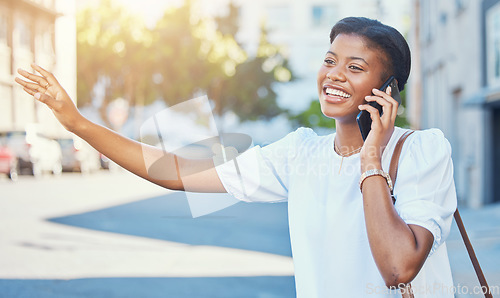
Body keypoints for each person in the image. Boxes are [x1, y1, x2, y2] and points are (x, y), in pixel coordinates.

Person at [15, 17, 457, 297]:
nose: (334, 75)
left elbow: (399, 267)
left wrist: (371, 158)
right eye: (330, 60)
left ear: (388, 90)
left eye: (355, 67)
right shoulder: (299, 152)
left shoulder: (422, 150)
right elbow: (176, 172)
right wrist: (76, 123)